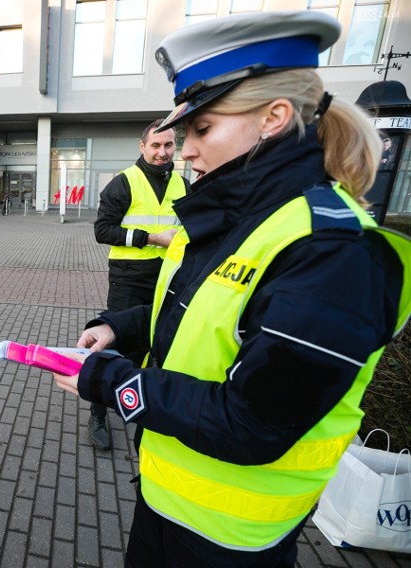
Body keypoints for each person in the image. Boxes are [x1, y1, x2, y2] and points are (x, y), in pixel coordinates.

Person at [50, 11, 411, 567]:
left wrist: (111, 382)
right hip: (168, 498)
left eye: (202, 129)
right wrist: (119, 327)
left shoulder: (334, 253)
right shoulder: (242, 216)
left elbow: (253, 422)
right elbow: (200, 313)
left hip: (232, 540)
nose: (185, 151)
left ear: (274, 117)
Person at [86, 119, 188, 451]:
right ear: (142, 146)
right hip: (129, 278)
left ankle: (133, 397)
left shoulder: (184, 185)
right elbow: (103, 231)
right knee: (115, 342)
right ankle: (97, 412)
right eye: (155, 145)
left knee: (150, 344)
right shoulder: (123, 183)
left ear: (176, 147)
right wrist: (151, 238)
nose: (162, 152)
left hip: (169, 277)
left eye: (168, 145)